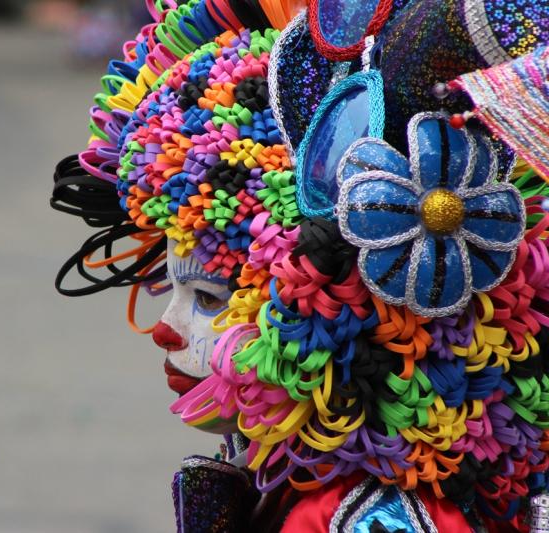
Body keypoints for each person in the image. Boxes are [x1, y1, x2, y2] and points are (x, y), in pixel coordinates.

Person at [51, 0, 549, 530]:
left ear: (353, 317)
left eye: (210, 297)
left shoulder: (364, 519)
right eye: (173, 289)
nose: (166, 332)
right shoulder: (296, 480)